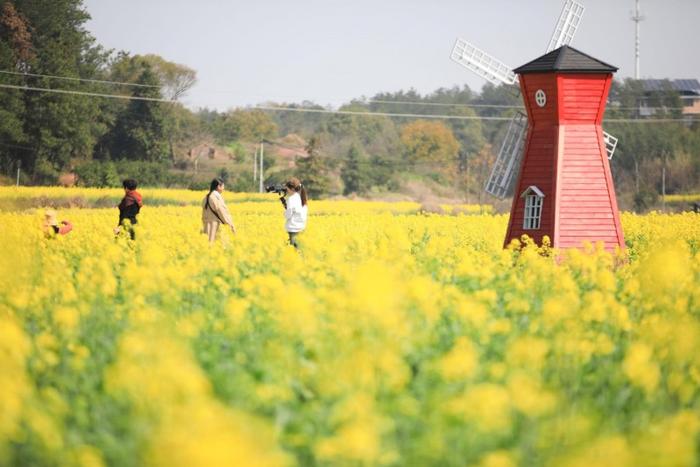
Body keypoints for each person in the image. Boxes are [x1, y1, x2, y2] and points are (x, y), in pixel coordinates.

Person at [201, 178, 236, 243]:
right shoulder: (216, 197)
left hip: (207, 225)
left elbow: (204, 213)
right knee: (218, 245)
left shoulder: (206, 197)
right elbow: (221, 212)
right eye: (223, 186)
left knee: (208, 244)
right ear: (218, 187)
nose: (223, 188)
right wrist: (229, 223)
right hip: (215, 225)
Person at [281, 177, 308, 248]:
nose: (286, 191)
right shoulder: (301, 197)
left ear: (292, 189)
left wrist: (284, 212)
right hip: (301, 228)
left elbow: (288, 215)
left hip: (293, 229)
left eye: (287, 189)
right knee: (298, 250)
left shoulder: (291, 199)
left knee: (292, 252)